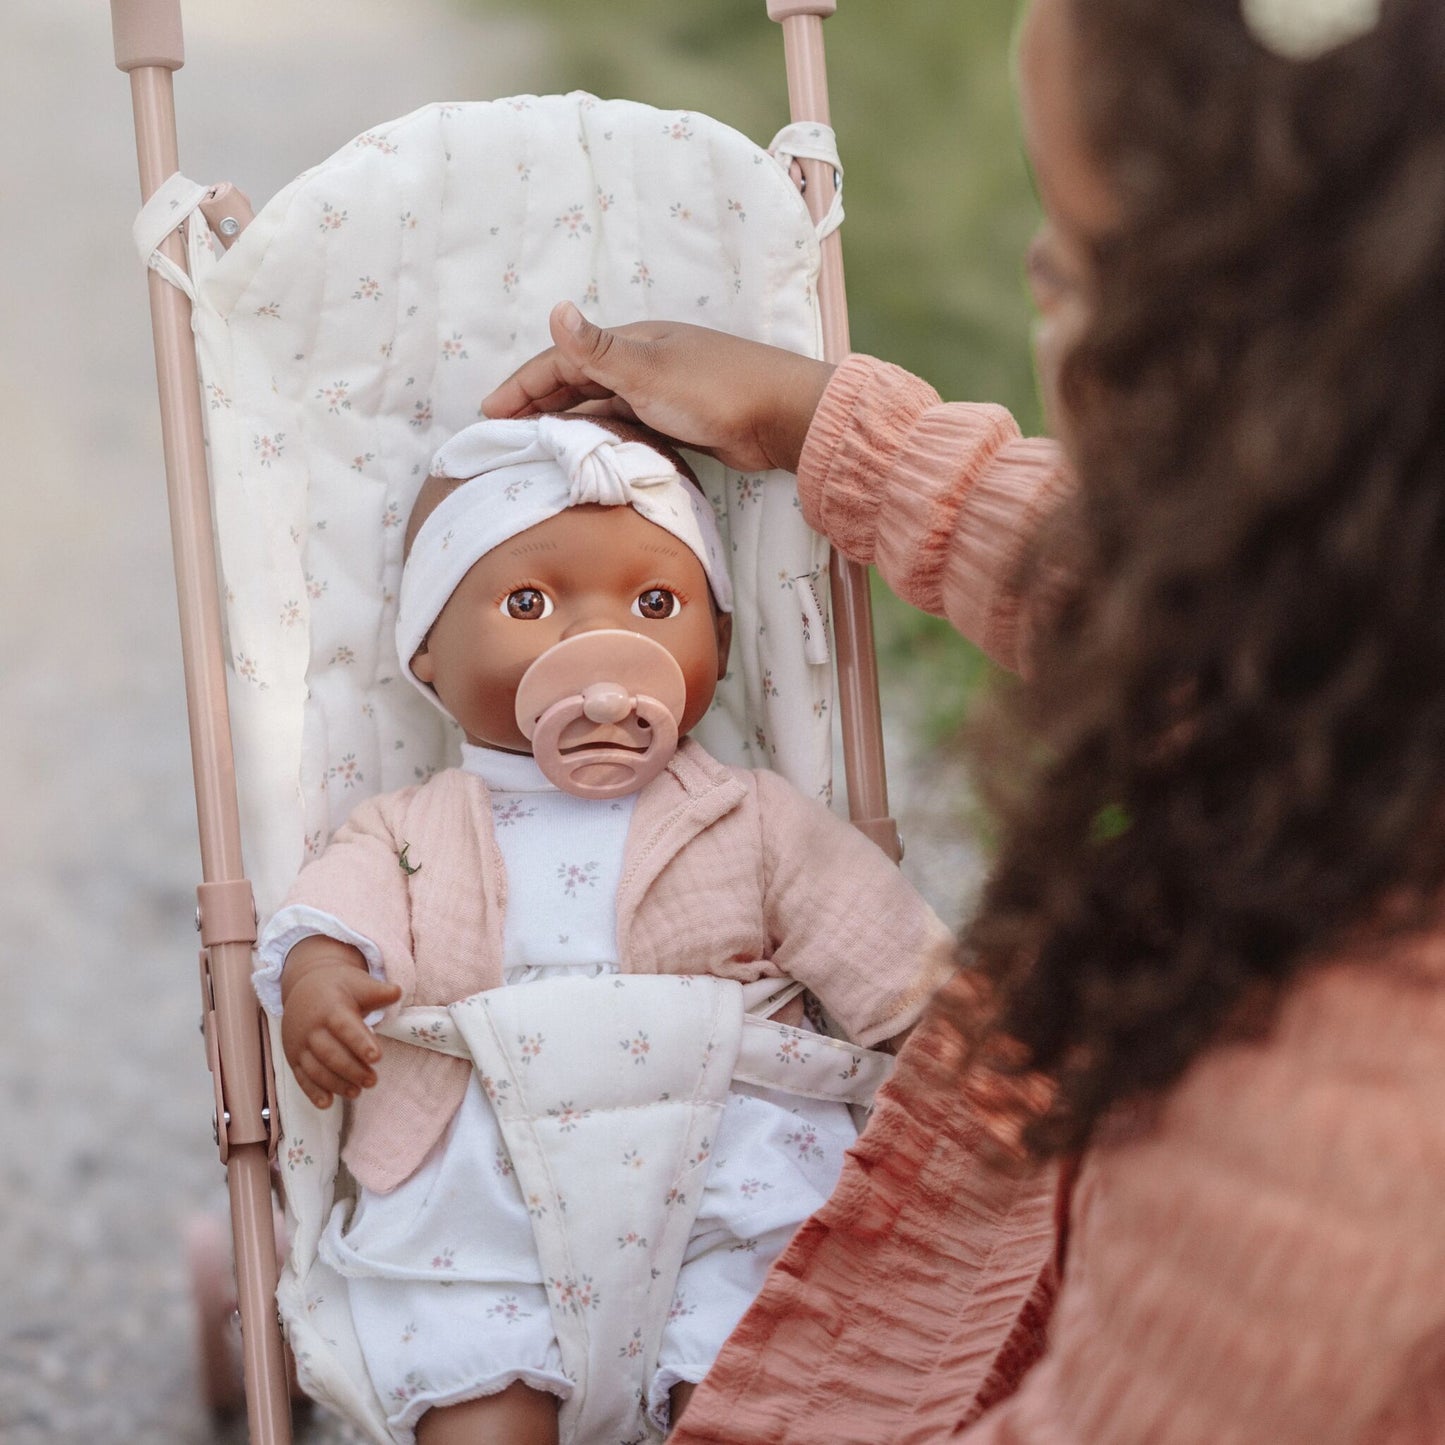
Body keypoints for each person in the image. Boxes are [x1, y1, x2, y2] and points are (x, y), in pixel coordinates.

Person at [480, 0, 1445, 1438]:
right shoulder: (1371, 636)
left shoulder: (1323, 1125)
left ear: (1289, 385)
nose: (1038, 290)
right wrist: (824, 426)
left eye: (1068, 274)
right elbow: (1148, 590)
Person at [252, 413, 953, 1445]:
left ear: (713, 641)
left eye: (655, 601)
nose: (595, 641)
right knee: (476, 1397)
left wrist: (947, 1037)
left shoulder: (748, 814)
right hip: (485, 1205)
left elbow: (877, 939)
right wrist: (319, 974)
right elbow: (335, 906)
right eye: (529, 602)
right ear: (428, 660)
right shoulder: (408, 825)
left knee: (758, 1368)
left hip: (722, 1173)